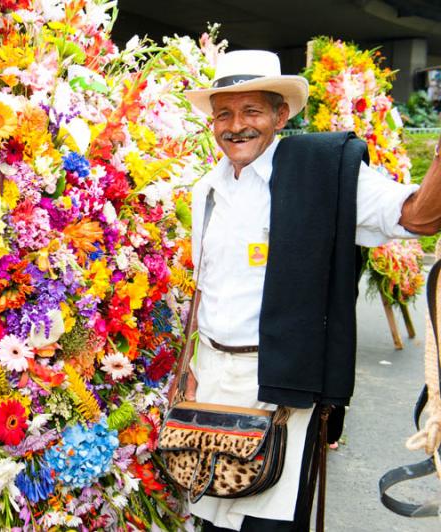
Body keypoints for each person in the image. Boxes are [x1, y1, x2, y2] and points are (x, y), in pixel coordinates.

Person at [168, 50, 441, 531]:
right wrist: (191, 368)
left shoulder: (325, 177)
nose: (237, 126)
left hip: (280, 387)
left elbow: (418, 216)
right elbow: (208, 286)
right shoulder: (206, 190)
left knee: (269, 523)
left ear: (280, 114)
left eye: (252, 111)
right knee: (210, 522)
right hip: (210, 383)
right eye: (224, 114)